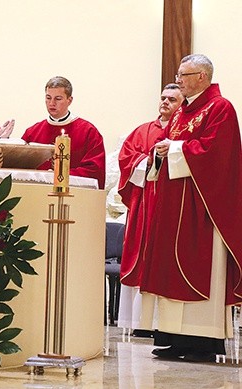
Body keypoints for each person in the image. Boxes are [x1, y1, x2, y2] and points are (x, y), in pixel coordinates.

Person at [139, 54, 242, 362]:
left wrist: (175, 148)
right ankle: (175, 338)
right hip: (174, 205)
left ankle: (201, 343)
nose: (179, 79)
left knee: (198, 268)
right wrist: (161, 154)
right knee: (171, 271)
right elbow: (172, 145)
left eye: (185, 75)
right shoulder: (183, 111)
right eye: (179, 73)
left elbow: (217, 154)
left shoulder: (220, 108)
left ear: (203, 77)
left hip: (201, 207)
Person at [116, 84, 184, 336]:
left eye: (172, 100)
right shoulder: (143, 131)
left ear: (182, 103)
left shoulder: (183, 132)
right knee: (141, 258)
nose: (165, 103)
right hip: (144, 205)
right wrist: (151, 160)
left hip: (172, 208)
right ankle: (139, 323)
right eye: (163, 98)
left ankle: (163, 325)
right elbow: (126, 159)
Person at [19, 76, 106, 188]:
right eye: (48, 98)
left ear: (69, 100)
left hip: (74, 196)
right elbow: (20, 168)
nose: (52, 103)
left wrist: (60, 175)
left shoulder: (88, 131)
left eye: (58, 99)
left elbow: (95, 171)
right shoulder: (32, 132)